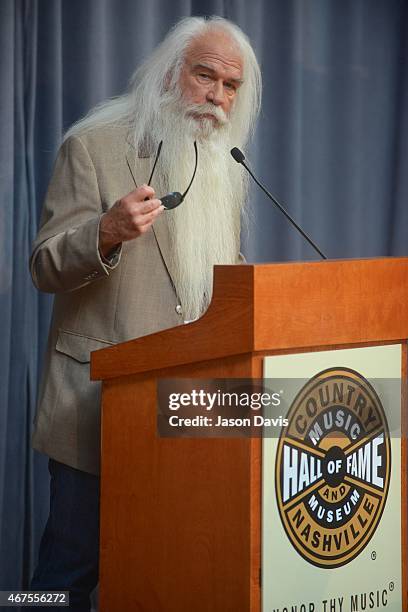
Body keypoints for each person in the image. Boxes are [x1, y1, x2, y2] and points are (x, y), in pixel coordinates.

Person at [29, 15, 261, 611]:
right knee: (62, 578)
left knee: (167, 566)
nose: (216, 96)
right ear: (167, 74)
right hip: (95, 409)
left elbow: (220, 286)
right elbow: (44, 266)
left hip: (187, 413)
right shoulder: (94, 147)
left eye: (230, 86)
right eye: (203, 75)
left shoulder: (222, 164)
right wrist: (105, 230)